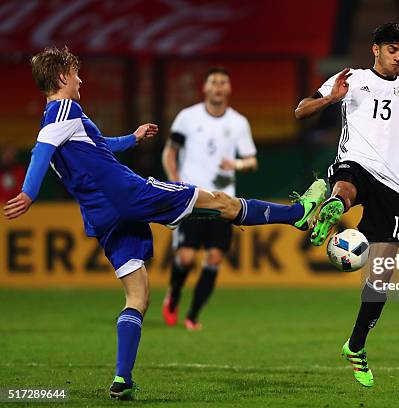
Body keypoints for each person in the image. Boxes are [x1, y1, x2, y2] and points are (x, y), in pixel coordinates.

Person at [3, 46, 326, 400]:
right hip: (128, 194)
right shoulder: (64, 109)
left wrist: (133, 138)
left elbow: (97, 145)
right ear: (63, 76)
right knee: (220, 201)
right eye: (75, 73)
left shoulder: (63, 121)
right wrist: (29, 193)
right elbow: (41, 150)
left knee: (138, 297)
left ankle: (122, 379)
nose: (80, 79)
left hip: (102, 216)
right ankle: (298, 214)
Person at [295, 23, 399, 387]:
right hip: (355, 162)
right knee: (346, 185)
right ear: (375, 49)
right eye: (392, 50)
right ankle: (331, 205)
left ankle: (356, 345)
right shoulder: (352, 78)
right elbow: (300, 111)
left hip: (391, 183)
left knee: (381, 275)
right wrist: (331, 98)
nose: (398, 57)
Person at [161, 67, 258, 330]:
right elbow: (170, 152)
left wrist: (236, 165)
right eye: (213, 82)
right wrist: (175, 180)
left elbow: (252, 161)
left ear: (228, 89)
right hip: (192, 198)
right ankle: (174, 294)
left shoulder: (238, 122)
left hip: (224, 202)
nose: (218, 86)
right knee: (186, 258)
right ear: (204, 88)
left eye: (223, 82)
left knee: (214, 258)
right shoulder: (187, 117)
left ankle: (193, 315)